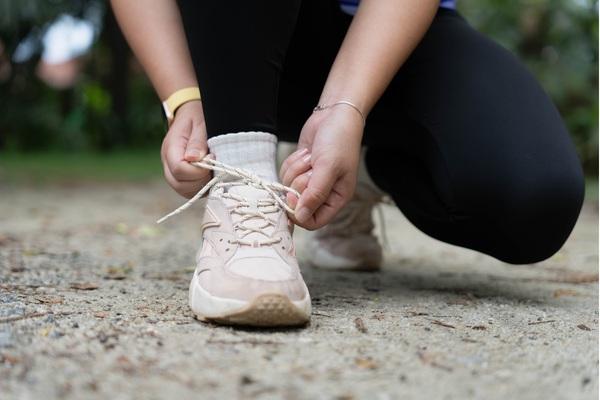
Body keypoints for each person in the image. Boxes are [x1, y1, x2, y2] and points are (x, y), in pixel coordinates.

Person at [110, 0, 584, 327]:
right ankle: (246, 182)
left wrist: (346, 107)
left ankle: (355, 174)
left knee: (535, 199)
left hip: (390, 31)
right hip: (238, 38)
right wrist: (186, 98)